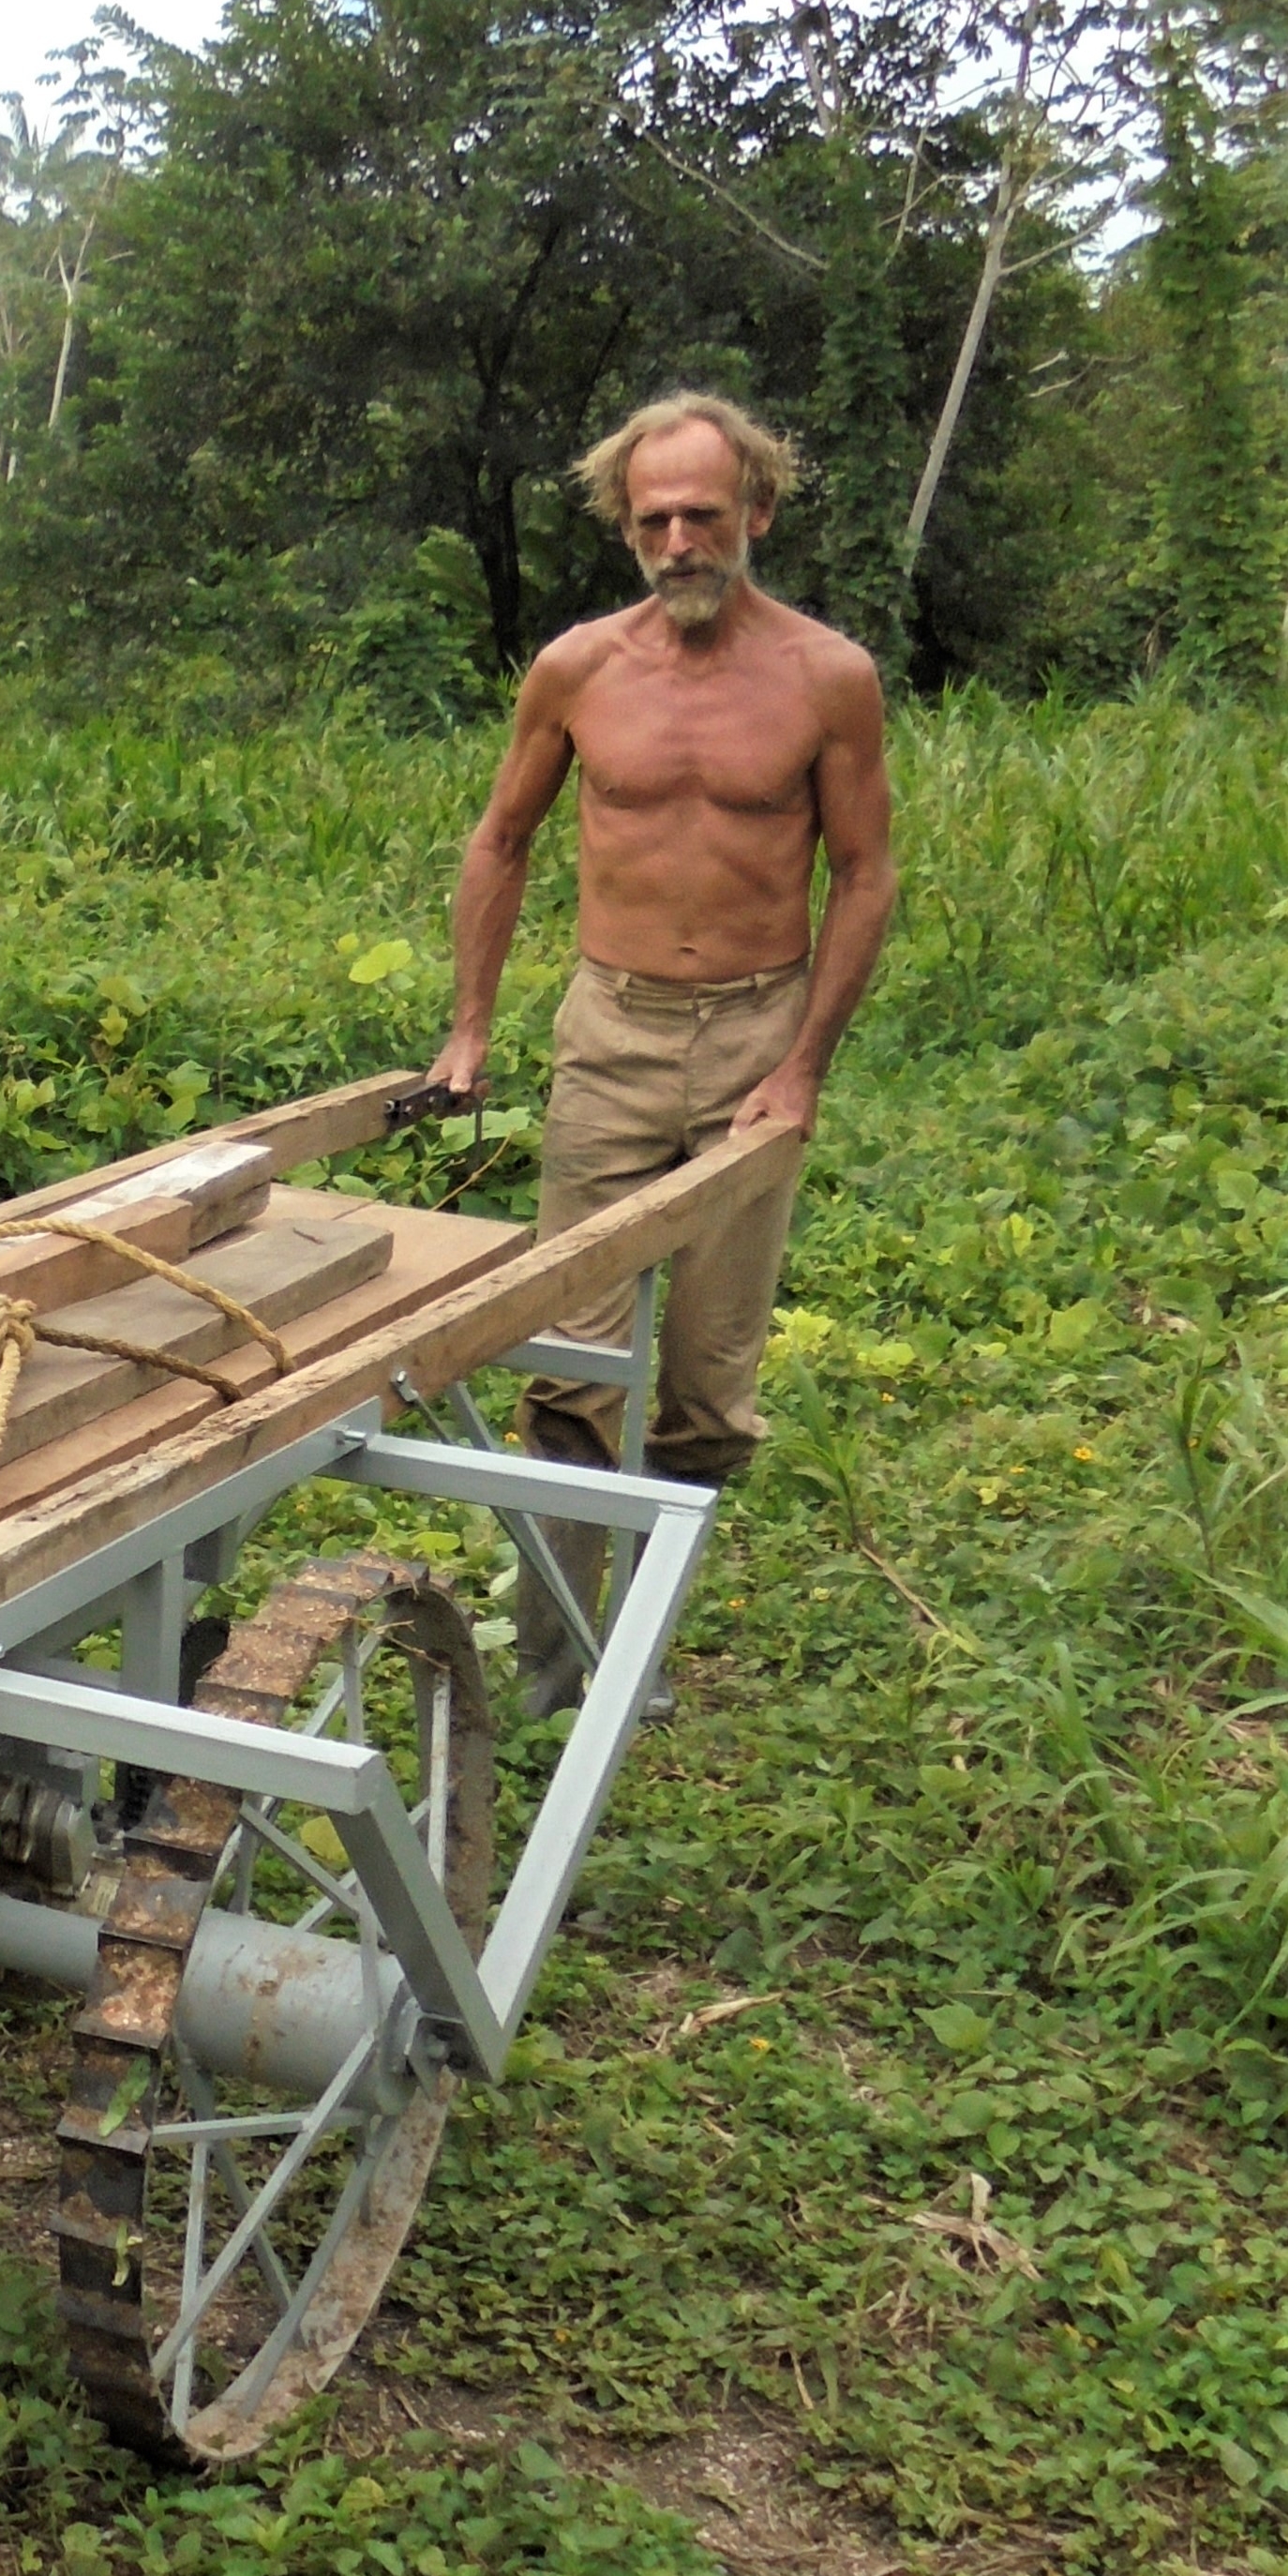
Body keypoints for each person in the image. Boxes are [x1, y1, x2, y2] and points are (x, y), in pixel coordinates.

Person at [420, 391, 898, 1711]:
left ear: (758, 510)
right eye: (654, 518)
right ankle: (555, 1662)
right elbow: (501, 839)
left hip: (754, 1036)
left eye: (703, 512)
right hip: (611, 1034)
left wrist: (802, 1065)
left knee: (702, 1389)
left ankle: (641, 1650)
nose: (680, 539)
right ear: (624, 526)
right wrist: (471, 1024)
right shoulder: (578, 670)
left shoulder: (826, 677)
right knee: (571, 1365)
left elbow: (863, 872)